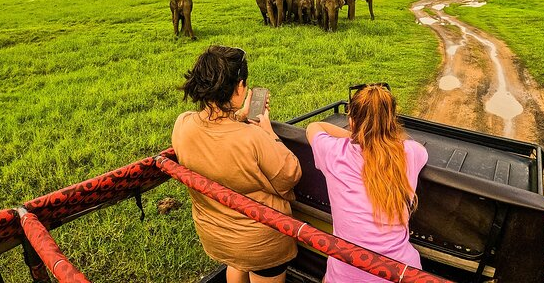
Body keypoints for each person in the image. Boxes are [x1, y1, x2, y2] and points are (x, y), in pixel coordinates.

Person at [172, 45, 302, 283]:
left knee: (237, 265)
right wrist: (269, 132)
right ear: (240, 87)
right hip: (261, 242)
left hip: (216, 234)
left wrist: (238, 115)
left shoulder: (183, 124)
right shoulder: (254, 137)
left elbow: (219, 140)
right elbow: (290, 174)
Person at [306, 84, 428, 283]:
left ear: (351, 122)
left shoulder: (335, 152)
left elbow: (313, 127)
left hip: (346, 273)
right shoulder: (410, 153)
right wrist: (373, 137)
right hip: (401, 272)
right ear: (391, 121)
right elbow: (410, 149)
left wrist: (358, 136)